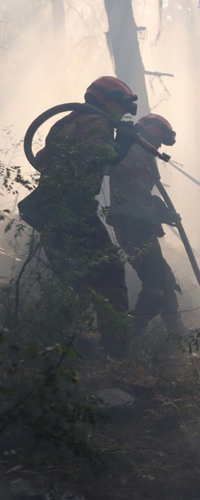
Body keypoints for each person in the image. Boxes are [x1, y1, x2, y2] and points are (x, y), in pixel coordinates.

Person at [18, 76, 139, 358]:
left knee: (78, 283)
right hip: (73, 211)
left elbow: (44, 158)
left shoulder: (68, 121)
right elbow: (98, 156)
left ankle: (43, 347)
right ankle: (115, 355)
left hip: (49, 210)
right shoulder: (97, 122)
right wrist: (123, 144)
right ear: (108, 100)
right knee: (110, 274)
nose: (122, 113)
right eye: (121, 106)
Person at [107, 113, 186, 337]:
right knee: (155, 287)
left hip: (141, 226)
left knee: (166, 280)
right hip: (130, 226)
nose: (160, 146)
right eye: (159, 140)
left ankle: (177, 333)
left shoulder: (143, 153)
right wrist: (162, 212)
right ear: (150, 133)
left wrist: (163, 212)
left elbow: (142, 196)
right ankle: (126, 336)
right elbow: (131, 194)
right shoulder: (129, 149)